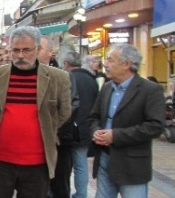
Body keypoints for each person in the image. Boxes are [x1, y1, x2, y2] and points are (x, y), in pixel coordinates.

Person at [0, 26, 71, 198]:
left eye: (26, 50)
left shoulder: (58, 78)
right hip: (0, 161)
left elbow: (64, 112)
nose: (20, 55)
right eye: (16, 50)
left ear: (37, 49)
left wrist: (46, 128)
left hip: (38, 163)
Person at [88, 43, 165, 198]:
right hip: (104, 158)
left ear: (126, 64)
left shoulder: (150, 90)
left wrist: (115, 136)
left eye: (110, 60)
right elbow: (94, 116)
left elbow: (155, 126)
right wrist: (96, 131)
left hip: (132, 165)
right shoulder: (107, 87)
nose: (106, 64)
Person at [38, 35, 76, 198]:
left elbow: (70, 109)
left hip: (59, 142)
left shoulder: (63, 76)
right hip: (34, 146)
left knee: (59, 187)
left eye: (39, 49)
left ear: (50, 52)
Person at [62, 51, 98, 198]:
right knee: (81, 164)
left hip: (69, 127)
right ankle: (81, 194)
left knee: (65, 165)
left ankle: (65, 192)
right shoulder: (92, 80)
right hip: (86, 128)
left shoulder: (66, 78)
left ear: (66, 64)